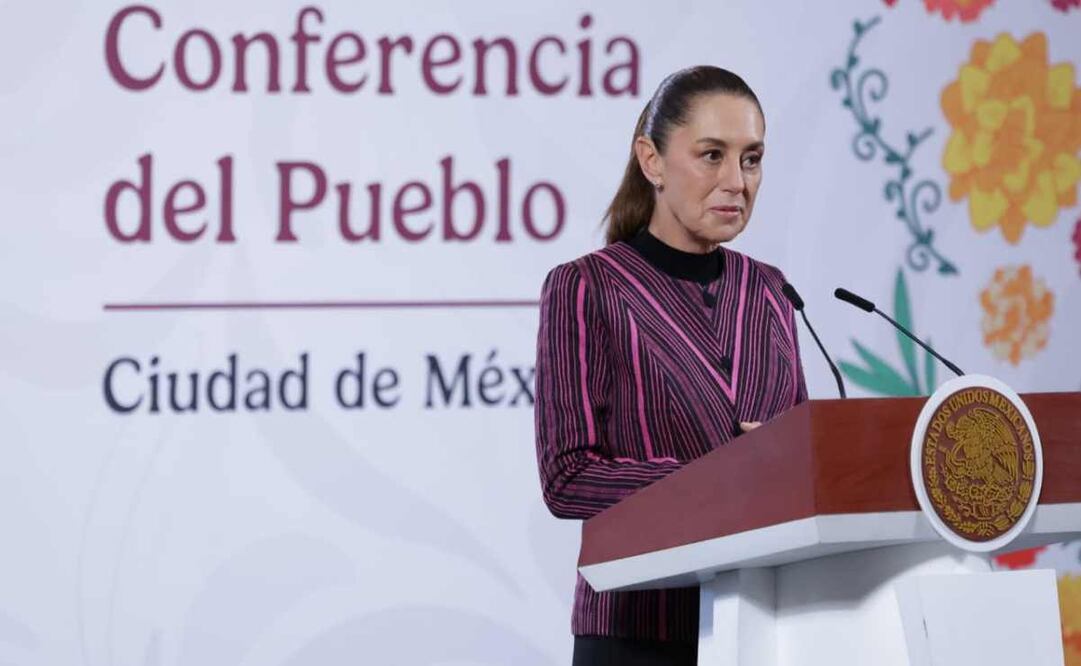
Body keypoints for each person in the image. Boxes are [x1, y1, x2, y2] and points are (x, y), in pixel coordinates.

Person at [533, 66, 808, 665]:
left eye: (752, 159)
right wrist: (718, 474)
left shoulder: (771, 291)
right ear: (651, 161)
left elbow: (799, 459)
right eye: (712, 155)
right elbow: (567, 477)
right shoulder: (588, 287)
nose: (736, 181)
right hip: (638, 632)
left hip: (764, 626)